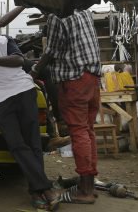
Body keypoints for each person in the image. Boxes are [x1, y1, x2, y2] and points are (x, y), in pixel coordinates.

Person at [0, 11, 61, 211]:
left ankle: (36, 193)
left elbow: (18, 60)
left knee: (33, 143)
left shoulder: (4, 38)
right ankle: (44, 188)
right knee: (16, 145)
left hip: (22, 89)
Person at [31, 10, 102, 205]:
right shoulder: (83, 10)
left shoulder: (57, 16)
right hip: (92, 76)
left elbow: (51, 50)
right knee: (87, 130)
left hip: (74, 78)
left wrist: (34, 71)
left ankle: (85, 191)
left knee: (79, 131)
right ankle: (89, 185)